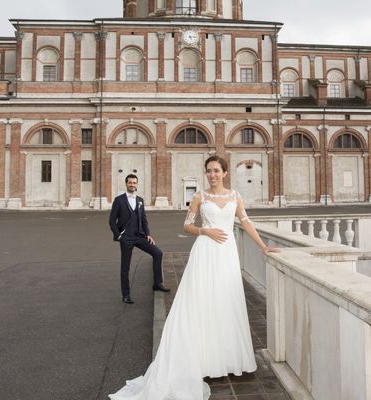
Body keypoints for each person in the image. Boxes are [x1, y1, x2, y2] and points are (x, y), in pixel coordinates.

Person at [109, 155, 279, 399]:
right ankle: (204, 360)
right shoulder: (200, 196)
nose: (212, 175)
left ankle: (225, 359)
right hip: (205, 251)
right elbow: (187, 225)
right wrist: (204, 230)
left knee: (225, 302)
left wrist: (263, 246)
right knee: (202, 303)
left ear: (225, 172)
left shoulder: (235, 196)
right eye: (208, 171)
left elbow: (245, 221)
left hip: (227, 254)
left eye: (216, 171)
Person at [109, 174, 170, 304]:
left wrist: (148, 234)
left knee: (158, 253)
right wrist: (118, 235)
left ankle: (157, 283)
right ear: (126, 184)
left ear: (137, 184)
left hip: (139, 236)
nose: (132, 185)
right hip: (126, 238)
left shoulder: (140, 200)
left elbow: (143, 219)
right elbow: (112, 220)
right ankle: (126, 294)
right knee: (125, 267)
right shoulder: (118, 200)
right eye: (130, 183)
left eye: (134, 183)